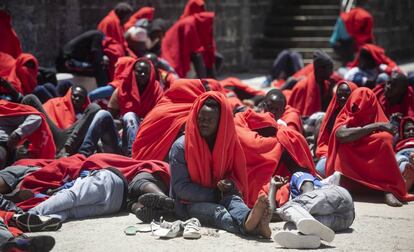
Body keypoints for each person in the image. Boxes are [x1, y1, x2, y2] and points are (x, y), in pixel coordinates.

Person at [169, 92, 272, 238]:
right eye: (201, 118)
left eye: (209, 120)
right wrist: (215, 194)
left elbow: (236, 176)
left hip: (222, 195)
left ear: (221, 122)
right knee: (218, 211)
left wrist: (230, 185)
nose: (203, 123)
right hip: (187, 204)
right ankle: (253, 227)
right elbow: (180, 188)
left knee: (235, 201)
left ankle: (249, 219)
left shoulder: (228, 144)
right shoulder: (181, 147)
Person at [326, 88, 414, 207]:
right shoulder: (346, 115)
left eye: (364, 107)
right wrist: (375, 126)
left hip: (376, 169)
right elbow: (341, 135)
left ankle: (388, 188)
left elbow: (389, 134)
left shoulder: (380, 120)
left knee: (384, 139)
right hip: (348, 172)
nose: (359, 110)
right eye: (356, 107)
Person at [132, 79, 210, 161]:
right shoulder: (190, 112)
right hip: (158, 160)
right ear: (192, 91)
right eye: (202, 90)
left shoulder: (161, 106)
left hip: (139, 155)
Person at [272, 172, 355, 249]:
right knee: (290, 225)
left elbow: (309, 192)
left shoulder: (296, 176)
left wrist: (291, 205)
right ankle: (309, 239)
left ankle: (306, 233)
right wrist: (273, 187)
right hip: (345, 220)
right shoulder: (292, 210)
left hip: (334, 196)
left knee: (290, 208)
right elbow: (271, 214)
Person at [21, 87, 101, 156]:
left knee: (95, 107)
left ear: (84, 101)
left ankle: (66, 150)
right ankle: (19, 142)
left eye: (80, 97)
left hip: (71, 142)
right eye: (75, 96)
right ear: (70, 95)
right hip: (52, 136)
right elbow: (41, 120)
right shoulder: (55, 102)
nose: (77, 99)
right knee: (30, 98)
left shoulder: (85, 114)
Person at [107, 57, 163, 156]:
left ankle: (135, 155)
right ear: (133, 72)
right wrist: (125, 123)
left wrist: (141, 123)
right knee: (129, 116)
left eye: (146, 73)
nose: (142, 75)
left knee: (130, 116)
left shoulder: (157, 90)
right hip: (124, 134)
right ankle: (132, 154)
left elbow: (160, 117)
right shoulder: (122, 89)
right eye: (139, 72)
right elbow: (110, 117)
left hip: (147, 133)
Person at [315, 81, 358, 176]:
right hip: (330, 152)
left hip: (351, 154)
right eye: (339, 95)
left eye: (347, 95)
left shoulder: (358, 114)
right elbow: (325, 138)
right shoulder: (333, 114)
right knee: (319, 170)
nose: (342, 98)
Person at [0, 100, 55, 168]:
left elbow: (37, 117)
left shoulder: (5, 109)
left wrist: (18, 134)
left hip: (3, 145)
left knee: (29, 98)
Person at [161, 12, 215, 78]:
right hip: (172, 48)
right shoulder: (190, 23)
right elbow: (193, 46)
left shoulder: (193, 21)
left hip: (176, 46)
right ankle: (204, 83)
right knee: (198, 57)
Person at [287, 50, 336, 117]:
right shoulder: (302, 86)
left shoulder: (326, 84)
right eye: (330, 68)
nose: (332, 72)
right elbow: (297, 115)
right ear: (320, 69)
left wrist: (330, 91)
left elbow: (325, 108)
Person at [394, 116, 414, 191]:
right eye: (408, 130)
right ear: (402, 132)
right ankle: (408, 174)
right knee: (401, 160)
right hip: (403, 154)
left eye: (413, 130)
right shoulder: (398, 141)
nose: (411, 132)